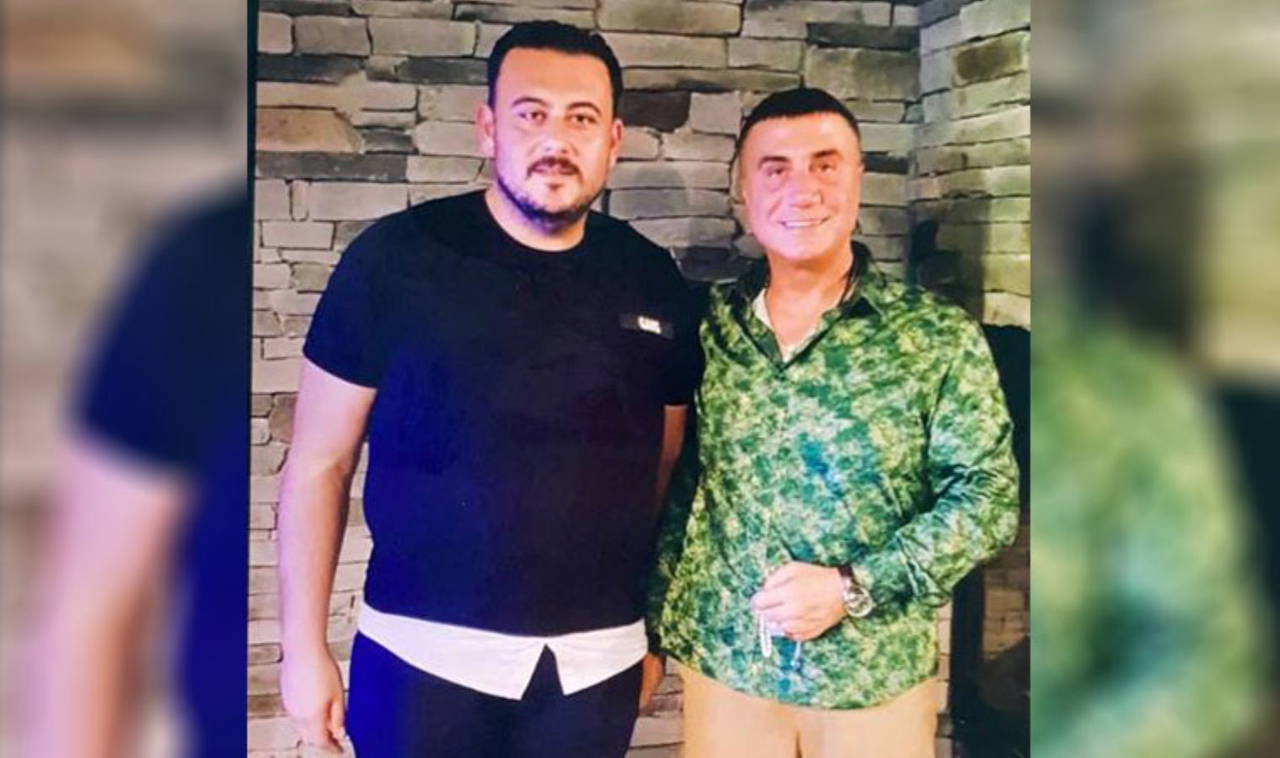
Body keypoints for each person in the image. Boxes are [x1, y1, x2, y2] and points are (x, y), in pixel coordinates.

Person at [277, 21, 701, 758]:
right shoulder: (395, 261)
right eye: (531, 113)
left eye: (582, 118)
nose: (556, 139)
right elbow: (319, 464)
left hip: (596, 666)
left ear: (613, 141)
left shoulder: (652, 278)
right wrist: (302, 648)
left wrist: (651, 636)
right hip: (419, 659)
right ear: (488, 127)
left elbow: (664, 467)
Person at [647, 88, 1020, 758]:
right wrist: (651, 626)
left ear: (857, 179)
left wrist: (854, 586)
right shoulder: (708, 327)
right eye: (776, 168)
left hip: (871, 683)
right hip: (729, 673)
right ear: (743, 191)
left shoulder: (935, 337)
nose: (803, 189)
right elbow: (683, 485)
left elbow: (988, 498)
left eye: (825, 164)